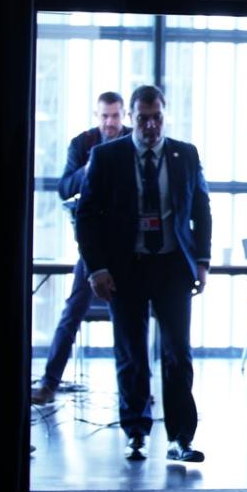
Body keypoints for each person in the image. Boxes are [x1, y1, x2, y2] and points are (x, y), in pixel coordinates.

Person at [75, 85, 212, 462]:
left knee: (177, 355)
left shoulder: (185, 154)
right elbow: (86, 216)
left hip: (172, 267)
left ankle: (180, 439)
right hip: (126, 268)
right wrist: (96, 268)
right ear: (132, 118)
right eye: (143, 118)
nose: (150, 125)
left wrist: (203, 260)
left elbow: (201, 207)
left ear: (164, 116)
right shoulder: (106, 156)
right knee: (132, 353)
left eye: (157, 117)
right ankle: (135, 431)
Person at [32, 92, 131, 405]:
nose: (110, 123)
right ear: (96, 115)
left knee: (130, 319)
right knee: (73, 311)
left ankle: (134, 390)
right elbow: (64, 187)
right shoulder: (83, 143)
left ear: (123, 115)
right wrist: (89, 168)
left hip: (127, 241)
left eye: (115, 116)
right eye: (104, 117)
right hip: (94, 240)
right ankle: (49, 384)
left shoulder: (133, 141)